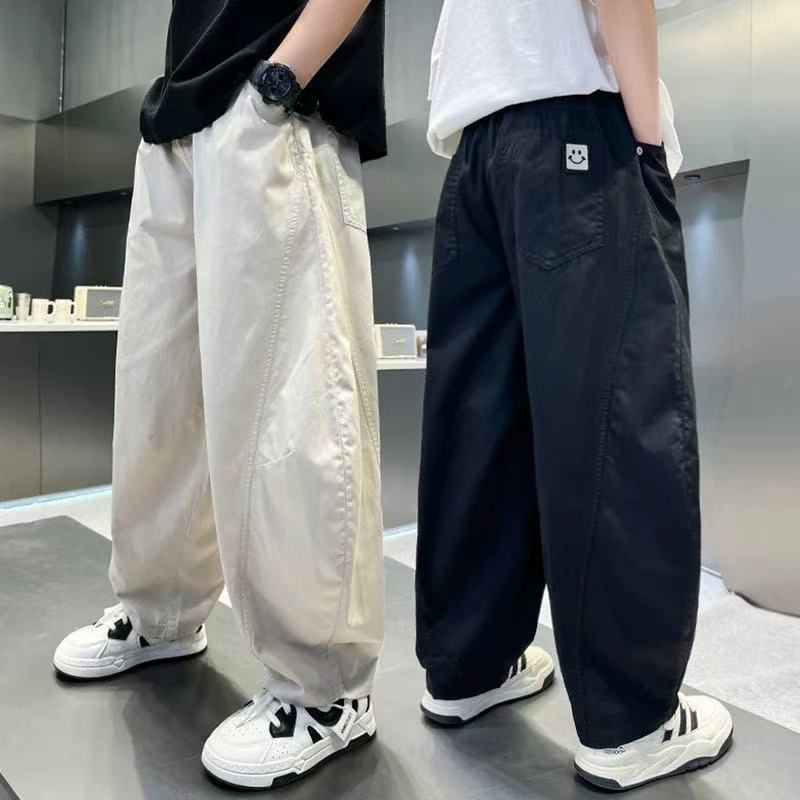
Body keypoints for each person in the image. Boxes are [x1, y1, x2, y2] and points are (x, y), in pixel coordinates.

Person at [53, 0, 386, 789]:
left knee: (292, 407)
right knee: (158, 394)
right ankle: (161, 612)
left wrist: (281, 78)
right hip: (180, 113)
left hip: (277, 100)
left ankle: (326, 688)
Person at [415, 0, 733, 791]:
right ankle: (633, 721)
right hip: (575, 126)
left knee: (481, 422)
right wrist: (646, 138)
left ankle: (468, 666)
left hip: (475, 148)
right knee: (618, 419)